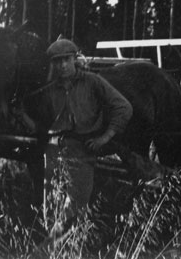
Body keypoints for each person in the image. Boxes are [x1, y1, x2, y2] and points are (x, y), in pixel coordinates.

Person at [38, 38, 132, 239]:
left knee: (74, 205)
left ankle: (50, 247)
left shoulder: (92, 82)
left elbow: (123, 107)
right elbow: (37, 118)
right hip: (53, 150)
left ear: (75, 58)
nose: (63, 65)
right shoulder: (49, 89)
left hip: (81, 150)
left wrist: (105, 137)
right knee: (50, 205)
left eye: (66, 59)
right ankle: (57, 245)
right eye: (57, 61)